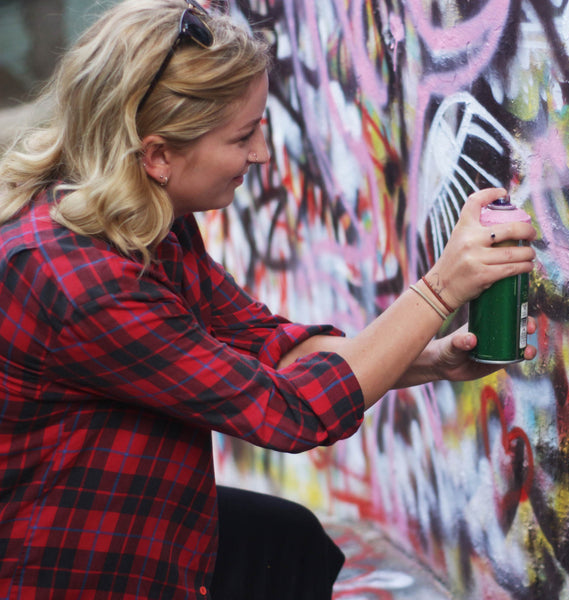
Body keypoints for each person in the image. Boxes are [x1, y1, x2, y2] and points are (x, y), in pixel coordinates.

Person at [0, 0, 537, 598]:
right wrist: (440, 290)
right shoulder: (78, 281)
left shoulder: (144, 216)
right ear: (156, 155)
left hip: (137, 509)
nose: (261, 154)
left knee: (289, 543)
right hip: (74, 563)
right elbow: (288, 410)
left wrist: (427, 359)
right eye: (242, 136)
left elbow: (264, 344)